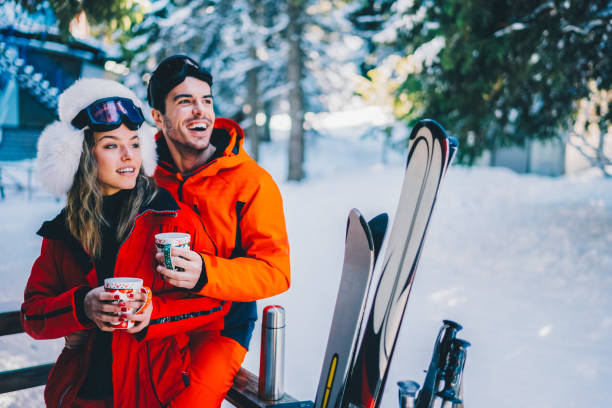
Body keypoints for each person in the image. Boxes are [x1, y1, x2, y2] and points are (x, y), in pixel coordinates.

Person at [21, 78, 231, 408]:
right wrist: (81, 307)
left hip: (152, 394)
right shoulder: (63, 231)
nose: (127, 155)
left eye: (134, 143)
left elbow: (216, 304)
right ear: (83, 154)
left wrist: (154, 314)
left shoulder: (172, 218)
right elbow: (33, 315)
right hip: (82, 395)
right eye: (111, 145)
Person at [147, 55, 291, 406]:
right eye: (185, 102)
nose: (200, 111)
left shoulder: (251, 182)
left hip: (221, 327)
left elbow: (276, 272)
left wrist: (205, 272)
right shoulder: (144, 174)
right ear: (158, 117)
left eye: (206, 101)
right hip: (156, 316)